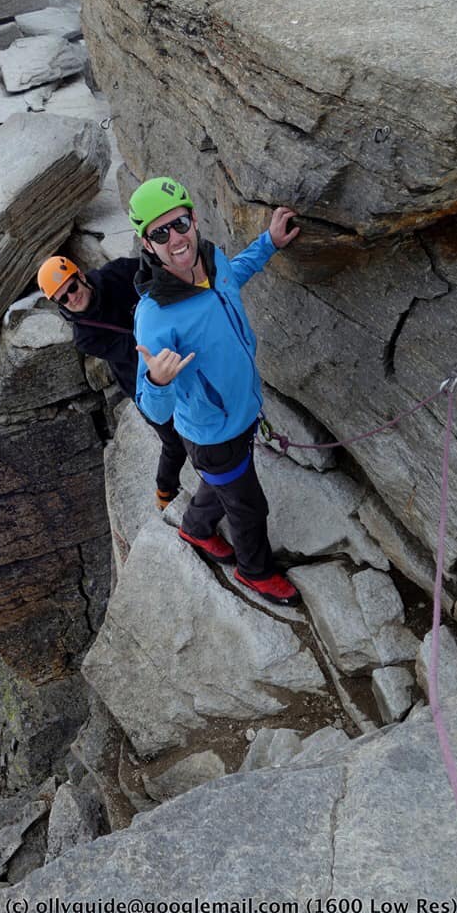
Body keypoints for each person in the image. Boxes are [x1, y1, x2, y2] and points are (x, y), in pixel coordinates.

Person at [129, 176, 301, 605]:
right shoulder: (155, 314)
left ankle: (196, 529)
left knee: (223, 486)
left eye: (180, 224)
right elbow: (152, 407)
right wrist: (158, 381)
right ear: (147, 245)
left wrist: (269, 243)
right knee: (249, 507)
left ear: (194, 219)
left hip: (239, 415)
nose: (176, 238)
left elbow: (233, 276)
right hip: (212, 434)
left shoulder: (212, 259)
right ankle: (254, 572)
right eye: (160, 233)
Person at [37, 254, 187, 509]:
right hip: (143, 382)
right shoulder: (85, 337)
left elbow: (155, 275)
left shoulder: (117, 273)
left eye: (72, 287)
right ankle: (165, 490)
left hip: (175, 348)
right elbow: (134, 350)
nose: (72, 298)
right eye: (63, 298)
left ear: (81, 276)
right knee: (174, 443)